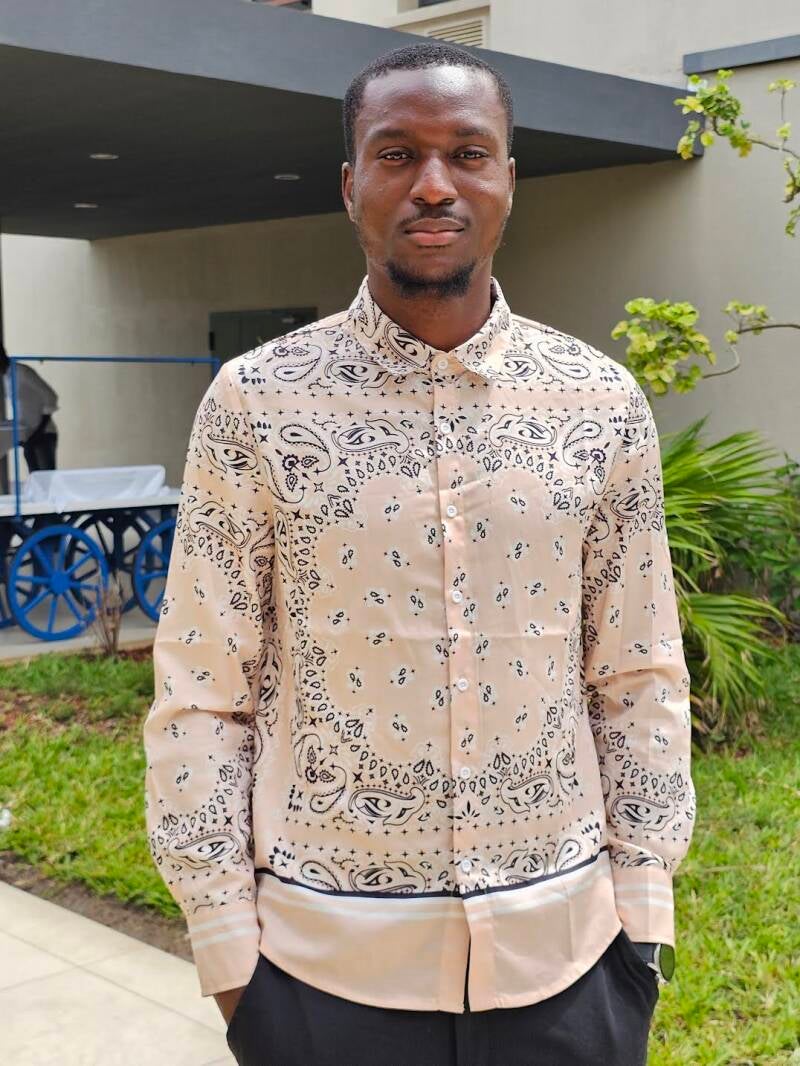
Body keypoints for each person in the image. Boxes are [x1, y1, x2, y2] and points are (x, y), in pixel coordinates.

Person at [143, 41, 696, 1066]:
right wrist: (230, 961)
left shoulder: (600, 402)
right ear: (350, 184)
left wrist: (643, 927)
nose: (433, 184)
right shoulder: (256, 403)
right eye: (396, 154)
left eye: (467, 154)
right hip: (320, 977)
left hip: (571, 966)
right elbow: (203, 690)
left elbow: (637, 674)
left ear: (507, 181)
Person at [0, 342, 58, 471]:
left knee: (46, 478)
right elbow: (23, 406)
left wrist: (38, 431)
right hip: (28, 436)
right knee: (35, 478)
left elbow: (51, 397)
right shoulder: (6, 378)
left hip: (43, 434)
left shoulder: (22, 372)